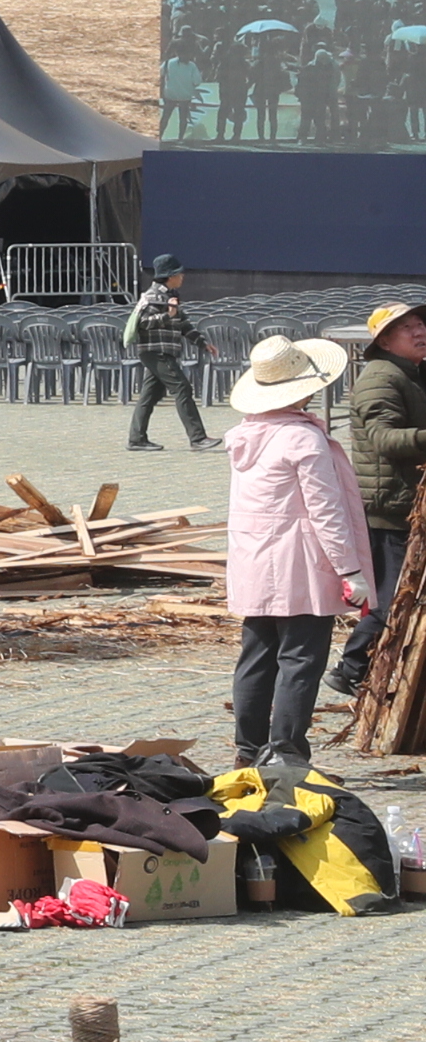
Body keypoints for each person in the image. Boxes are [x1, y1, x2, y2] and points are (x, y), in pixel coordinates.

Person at [223, 334, 372, 772]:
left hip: (253, 559)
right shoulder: (302, 440)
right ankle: (287, 753)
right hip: (300, 563)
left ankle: (248, 749)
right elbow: (327, 511)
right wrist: (351, 568)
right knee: (301, 659)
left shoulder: (245, 435)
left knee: (256, 655)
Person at [336, 300, 426, 699]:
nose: (419, 331)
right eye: (407, 327)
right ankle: (350, 668)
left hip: (405, 503)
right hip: (390, 508)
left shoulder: (411, 373)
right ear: (385, 341)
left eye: (420, 323)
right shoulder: (380, 377)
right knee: (391, 600)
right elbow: (385, 440)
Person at [123, 257, 214, 452]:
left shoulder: (171, 296)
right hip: (156, 352)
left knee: (149, 395)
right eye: (179, 274)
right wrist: (168, 315)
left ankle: (137, 439)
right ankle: (197, 438)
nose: (182, 277)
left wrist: (202, 343)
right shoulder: (152, 296)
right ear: (169, 276)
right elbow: (143, 324)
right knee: (182, 388)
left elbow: (183, 324)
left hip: (163, 352)